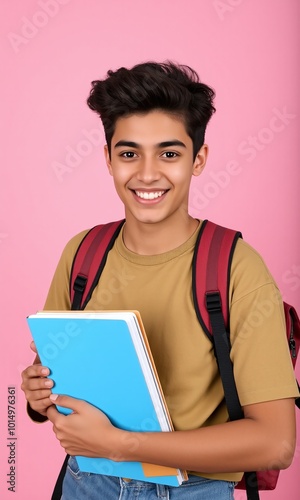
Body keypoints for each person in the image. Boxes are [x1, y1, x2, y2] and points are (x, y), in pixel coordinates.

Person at [21, 61, 299, 500]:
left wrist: (121, 444)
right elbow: (61, 389)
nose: (147, 173)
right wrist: (40, 397)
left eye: (169, 154)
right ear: (108, 159)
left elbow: (276, 443)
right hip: (85, 483)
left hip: (194, 489)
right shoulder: (83, 254)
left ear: (199, 159)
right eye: (129, 153)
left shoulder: (234, 267)